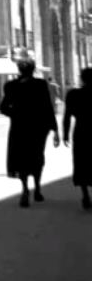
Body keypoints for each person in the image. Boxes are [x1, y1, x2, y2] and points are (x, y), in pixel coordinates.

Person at [0, 55, 59, 207]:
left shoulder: (10, 85)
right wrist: (55, 129)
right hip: (38, 127)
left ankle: (25, 188)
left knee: (21, 158)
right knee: (37, 156)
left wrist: (15, 114)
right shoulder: (40, 84)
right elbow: (47, 107)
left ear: (19, 69)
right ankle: (38, 188)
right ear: (33, 70)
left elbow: (3, 108)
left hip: (19, 127)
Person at [62, 67, 92, 210]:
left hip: (81, 131)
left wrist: (66, 134)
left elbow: (67, 115)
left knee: (81, 162)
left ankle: (85, 193)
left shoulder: (73, 94)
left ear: (82, 78)